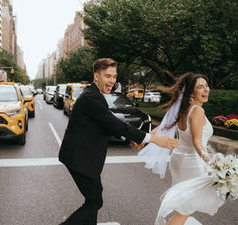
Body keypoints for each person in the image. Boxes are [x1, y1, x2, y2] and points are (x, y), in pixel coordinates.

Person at [58, 58, 179, 225]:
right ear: (96, 76)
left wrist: (129, 139)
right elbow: (115, 124)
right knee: (94, 202)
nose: (112, 81)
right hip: (79, 157)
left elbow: (106, 125)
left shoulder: (95, 95)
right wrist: (155, 139)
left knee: (94, 198)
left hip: (83, 157)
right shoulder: (90, 98)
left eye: (114, 77)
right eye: (108, 76)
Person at [139, 72, 224, 225]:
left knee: (183, 206)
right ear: (191, 92)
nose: (206, 90)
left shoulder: (183, 109)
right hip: (192, 162)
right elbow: (197, 143)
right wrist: (212, 162)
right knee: (185, 209)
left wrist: (144, 139)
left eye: (206, 86)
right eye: (200, 87)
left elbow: (163, 127)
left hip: (179, 159)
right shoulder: (197, 111)